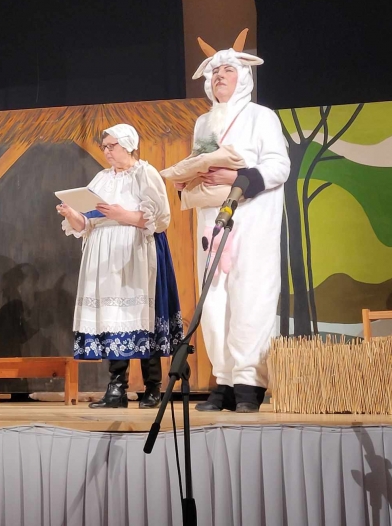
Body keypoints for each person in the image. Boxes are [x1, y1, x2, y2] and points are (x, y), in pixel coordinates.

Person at [182, 30, 290, 413]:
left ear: (243, 76)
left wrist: (237, 178)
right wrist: (188, 176)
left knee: (250, 299)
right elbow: (201, 162)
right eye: (214, 72)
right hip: (213, 224)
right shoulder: (203, 123)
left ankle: (248, 384)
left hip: (251, 223)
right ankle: (224, 380)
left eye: (227, 70)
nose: (219, 76)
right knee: (213, 305)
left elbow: (278, 165)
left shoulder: (262, 117)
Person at [57, 123, 183, 409]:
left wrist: (121, 214)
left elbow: (160, 220)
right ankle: (116, 389)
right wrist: (72, 214)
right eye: (104, 147)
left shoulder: (145, 174)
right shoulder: (101, 178)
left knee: (141, 315)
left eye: (111, 146)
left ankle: (153, 387)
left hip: (136, 253)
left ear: (128, 145)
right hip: (105, 257)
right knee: (112, 317)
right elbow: (87, 223)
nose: (107, 151)